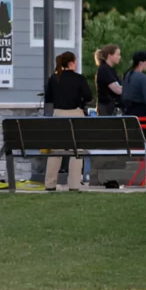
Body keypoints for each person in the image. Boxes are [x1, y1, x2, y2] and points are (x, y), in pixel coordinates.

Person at [43, 51, 92, 192]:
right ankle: (74, 184)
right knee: (77, 150)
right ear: (71, 63)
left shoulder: (54, 78)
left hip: (58, 114)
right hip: (76, 114)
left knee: (56, 150)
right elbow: (88, 96)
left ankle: (50, 184)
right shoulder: (79, 78)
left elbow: (48, 99)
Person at [121, 51, 146, 117]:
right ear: (140, 63)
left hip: (127, 110)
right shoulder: (143, 77)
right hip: (140, 110)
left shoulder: (127, 75)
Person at [94, 44, 122, 115]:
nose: (119, 57)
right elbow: (117, 89)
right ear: (110, 55)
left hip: (110, 106)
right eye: (117, 54)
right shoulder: (104, 69)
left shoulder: (111, 69)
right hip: (105, 107)